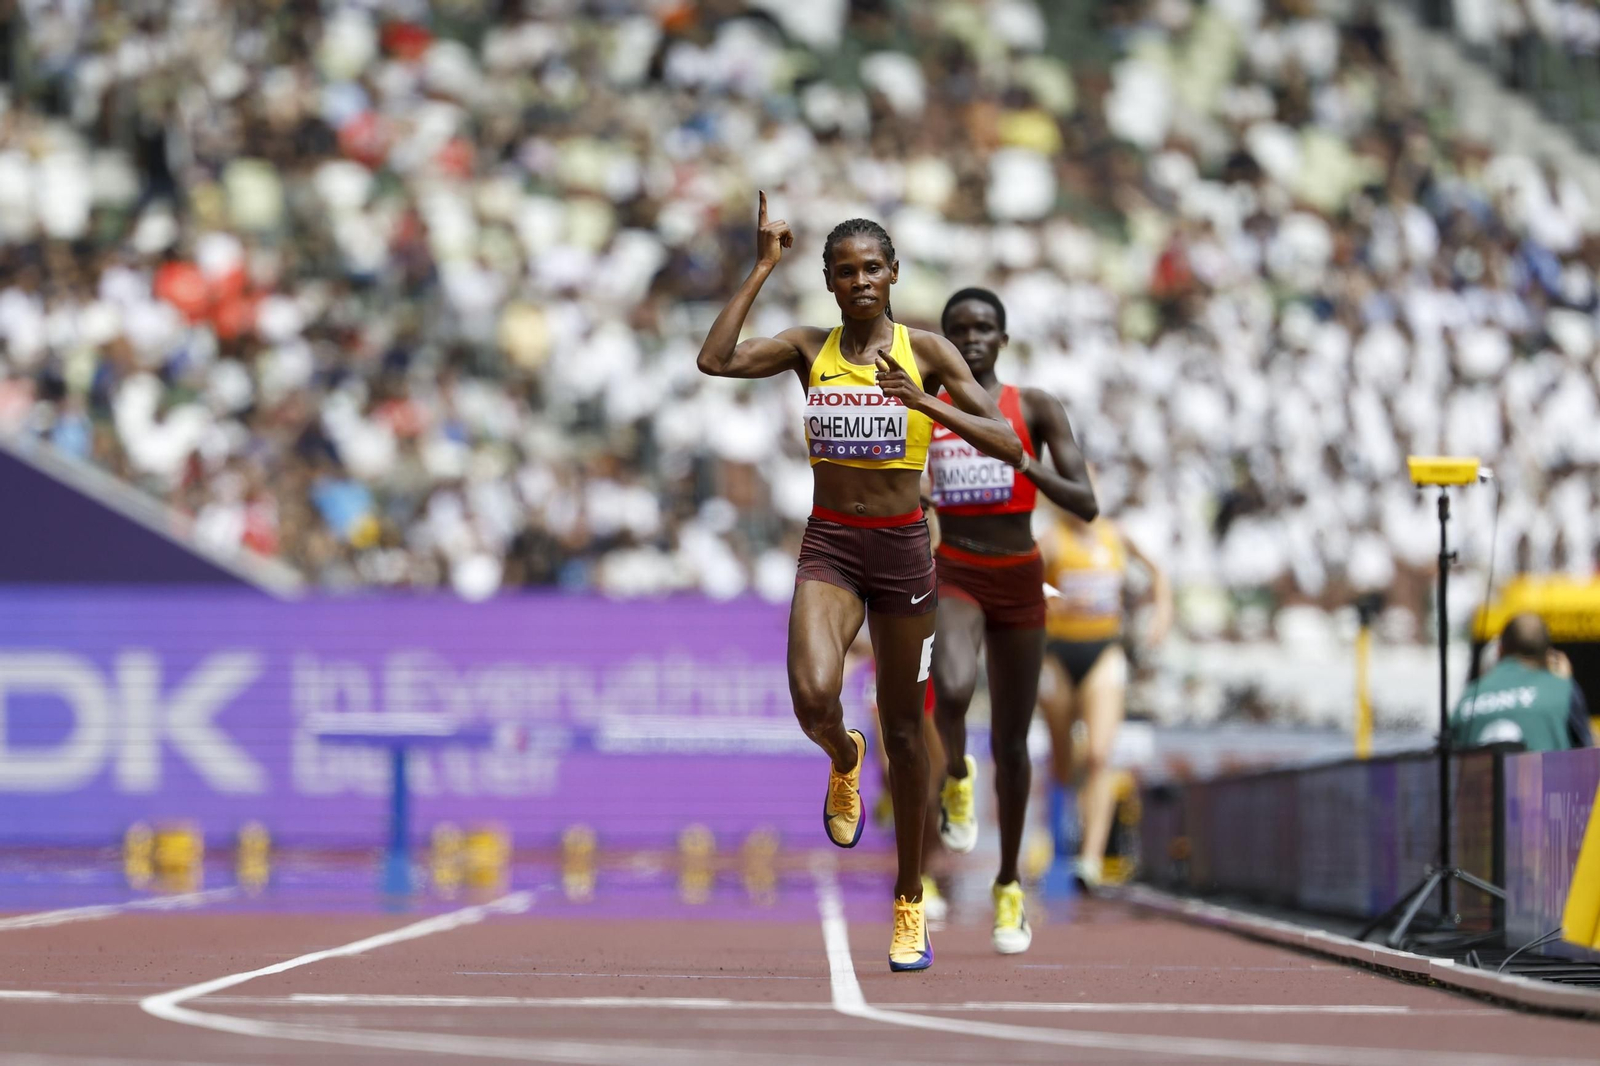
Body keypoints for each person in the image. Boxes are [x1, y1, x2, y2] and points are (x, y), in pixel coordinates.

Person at [696, 194, 1023, 972]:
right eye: (846, 272)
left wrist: (924, 406)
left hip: (906, 557)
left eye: (873, 267)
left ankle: (910, 904)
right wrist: (762, 267)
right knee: (814, 696)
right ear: (831, 284)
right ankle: (843, 756)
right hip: (834, 548)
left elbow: (1007, 440)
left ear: (895, 273)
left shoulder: (930, 353)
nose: (862, 280)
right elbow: (715, 360)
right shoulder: (811, 349)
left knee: (909, 736)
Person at [925, 288, 1098, 954]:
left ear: (1003, 338)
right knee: (955, 683)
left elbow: (1086, 503)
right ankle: (958, 780)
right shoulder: (927, 407)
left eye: (984, 329)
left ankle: (1007, 886)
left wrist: (1021, 460)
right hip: (957, 570)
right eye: (959, 330)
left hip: (1021, 576)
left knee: (1014, 741)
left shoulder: (1034, 407)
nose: (972, 339)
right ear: (943, 340)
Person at [1037, 502, 1171, 891]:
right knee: (1063, 762)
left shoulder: (1117, 535)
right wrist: (1055, 597)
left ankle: (1090, 860)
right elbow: (1020, 578)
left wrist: (1162, 613)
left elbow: (1159, 572)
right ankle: (1059, 833)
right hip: (1058, 653)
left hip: (1104, 650)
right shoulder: (1051, 539)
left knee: (1099, 754)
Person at [1451, 613, 1592, 751]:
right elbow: (1590, 758)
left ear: (1500, 650)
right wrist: (1566, 681)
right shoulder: (1563, 690)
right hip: (1545, 774)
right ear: (1548, 654)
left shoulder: (1468, 697)